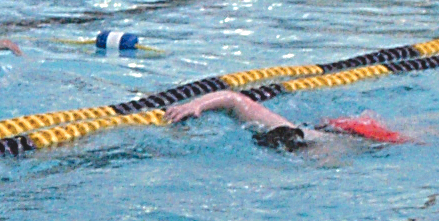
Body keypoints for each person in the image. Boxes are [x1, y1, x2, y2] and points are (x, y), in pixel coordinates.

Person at [165, 88, 409, 153]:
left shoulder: (314, 148)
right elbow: (233, 100)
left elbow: (233, 101)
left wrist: (195, 105)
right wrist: (195, 105)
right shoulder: (298, 136)